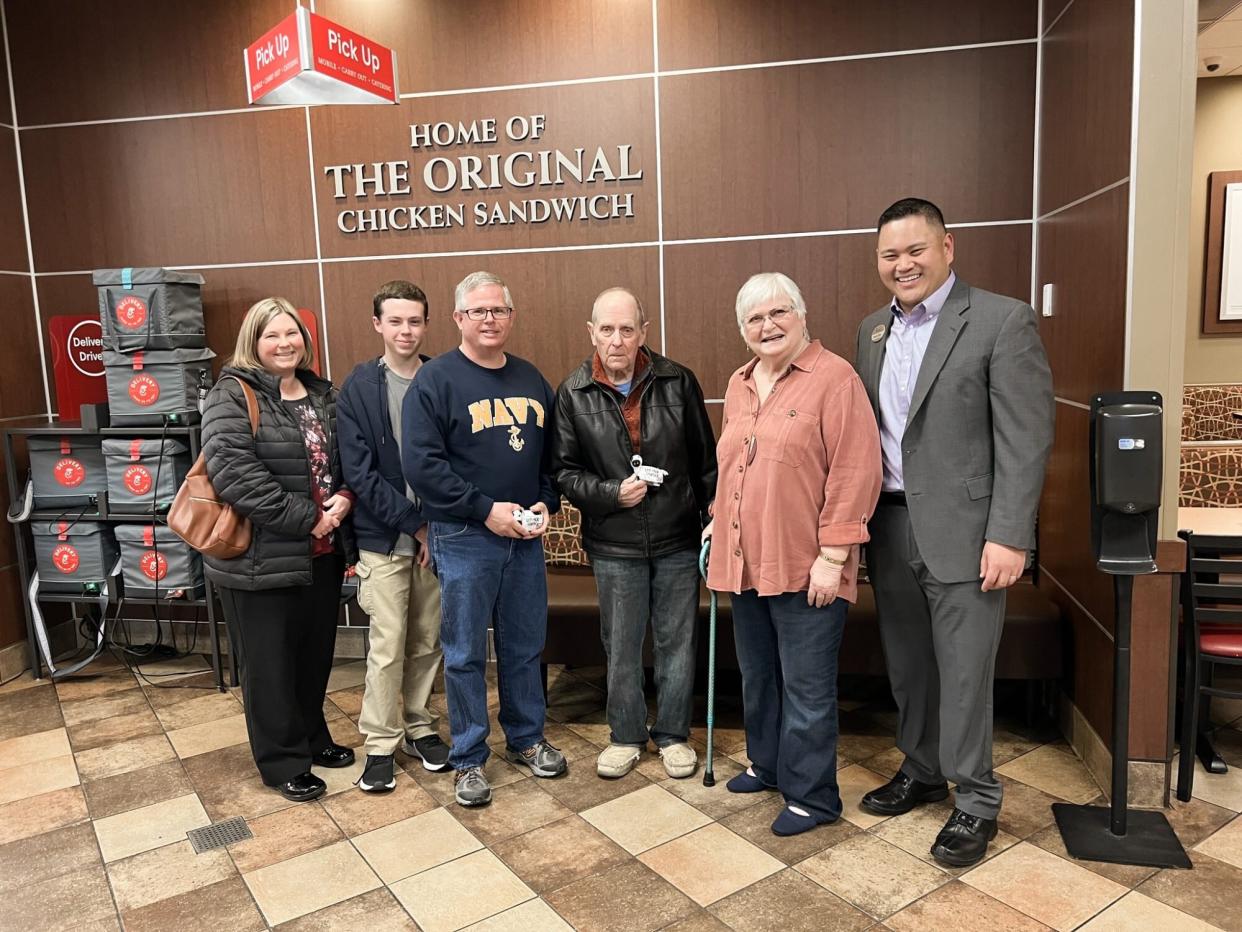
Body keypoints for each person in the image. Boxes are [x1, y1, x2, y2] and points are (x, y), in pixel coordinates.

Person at [854, 198, 1053, 867]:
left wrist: (1011, 535)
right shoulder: (870, 332)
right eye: (889, 254)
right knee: (909, 663)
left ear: (947, 247)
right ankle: (922, 768)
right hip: (890, 525)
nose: (902, 264)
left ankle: (977, 800)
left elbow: (1026, 440)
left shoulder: (1001, 320)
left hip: (970, 534)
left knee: (966, 673)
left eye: (915, 250)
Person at [705, 272, 882, 837]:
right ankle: (769, 765)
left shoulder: (835, 379)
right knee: (759, 677)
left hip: (807, 566)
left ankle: (813, 797)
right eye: (754, 319)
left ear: (802, 316)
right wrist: (715, 521)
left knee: (806, 688)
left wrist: (833, 557)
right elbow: (733, 464)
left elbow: (856, 471)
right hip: (745, 561)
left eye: (779, 313)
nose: (768, 326)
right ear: (742, 331)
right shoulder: (739, 382)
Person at [402, 270, 565, 807]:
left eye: (498, 310)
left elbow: (550, 457)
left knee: (524, 647)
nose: (489, 319)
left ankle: (525, 739)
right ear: (458, 319)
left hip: (524, 537)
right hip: (466, 536)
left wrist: (546, 500)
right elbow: (422, 466)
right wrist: (484, 510)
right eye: (478, 311)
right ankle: (470, 757)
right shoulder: (436, 381)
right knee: (466, 651)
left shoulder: (531, 378)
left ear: (511, 317)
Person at [552, 287, 717, 780]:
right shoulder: (573, 392)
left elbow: (706, 462)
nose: (617, 340)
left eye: (628, 329)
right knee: (621, 646)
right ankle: (625, 735)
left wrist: (711, 517)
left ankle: (672, 736)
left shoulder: (677, 381)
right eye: (607, 329)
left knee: (676, 643)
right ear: (592, 333)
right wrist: (610, 493)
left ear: (644, 332)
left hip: (677, 538)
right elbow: (563, 473)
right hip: (613, 542)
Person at [202, 297, 357, 803]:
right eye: (272, 335)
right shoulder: (232, 394)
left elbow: (346, 458)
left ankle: (313, 738)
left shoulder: (322, 393)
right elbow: (234, 478)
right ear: (253, 341)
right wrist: (310, 517)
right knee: (269, 666)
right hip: (259, 559)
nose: (284, 343)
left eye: (291, 333)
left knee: (313, 657)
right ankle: (282, 760)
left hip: (322, 554)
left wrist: (345, 498)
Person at [337, 280, 450, 794]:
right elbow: (359, 475)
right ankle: (380, 742)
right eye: (395, 321)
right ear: (378, 324)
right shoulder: (358, 388)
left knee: (427, 640)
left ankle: (417, 725)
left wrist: (437, 525)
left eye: (415, 321)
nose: (406, 330)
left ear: (426, 324)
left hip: (440, 537)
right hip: (383, 540)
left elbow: (457, 462)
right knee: (387, 645)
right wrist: (415, 523)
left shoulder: (444, 379)